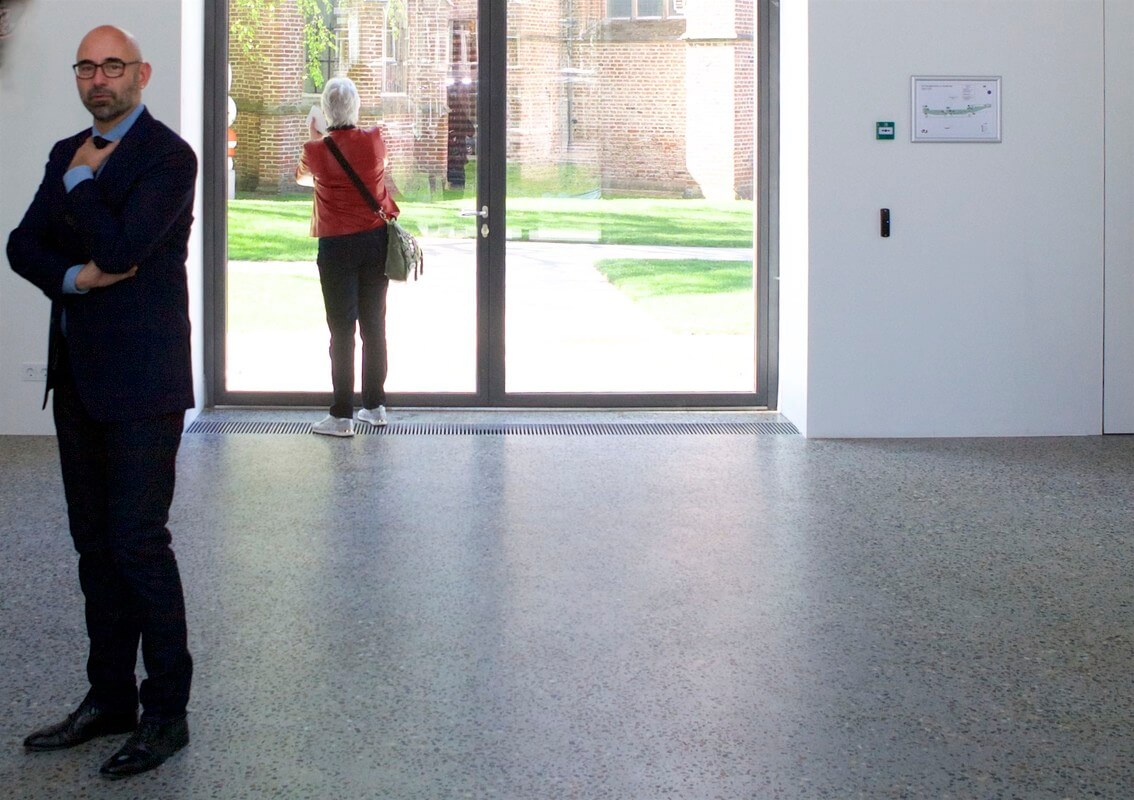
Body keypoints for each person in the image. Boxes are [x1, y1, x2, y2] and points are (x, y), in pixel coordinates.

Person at [6, 25, 196, 779]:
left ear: (141, 73)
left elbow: (123, 247)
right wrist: (74, 279)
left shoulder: (168, 158)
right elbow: (22, 245)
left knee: (138, 545)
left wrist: (83, 190)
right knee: (94, 550)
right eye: (86, 67)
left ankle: (167, 713)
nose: (98, 80)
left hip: (145, 384)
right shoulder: (63, 150)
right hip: (78, 381)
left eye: (112, 66)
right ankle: (109, 697)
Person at [296, 76, 399, 437]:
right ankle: (375, 406)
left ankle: (341, 416)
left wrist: (315, 136)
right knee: (375, 326)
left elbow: (302, 178)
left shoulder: (316, 151)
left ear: (325, 111)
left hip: (336, 247)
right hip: (375, 242)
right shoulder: (374, 140)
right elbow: (380, 168)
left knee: (342, 330)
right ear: (356, 108)